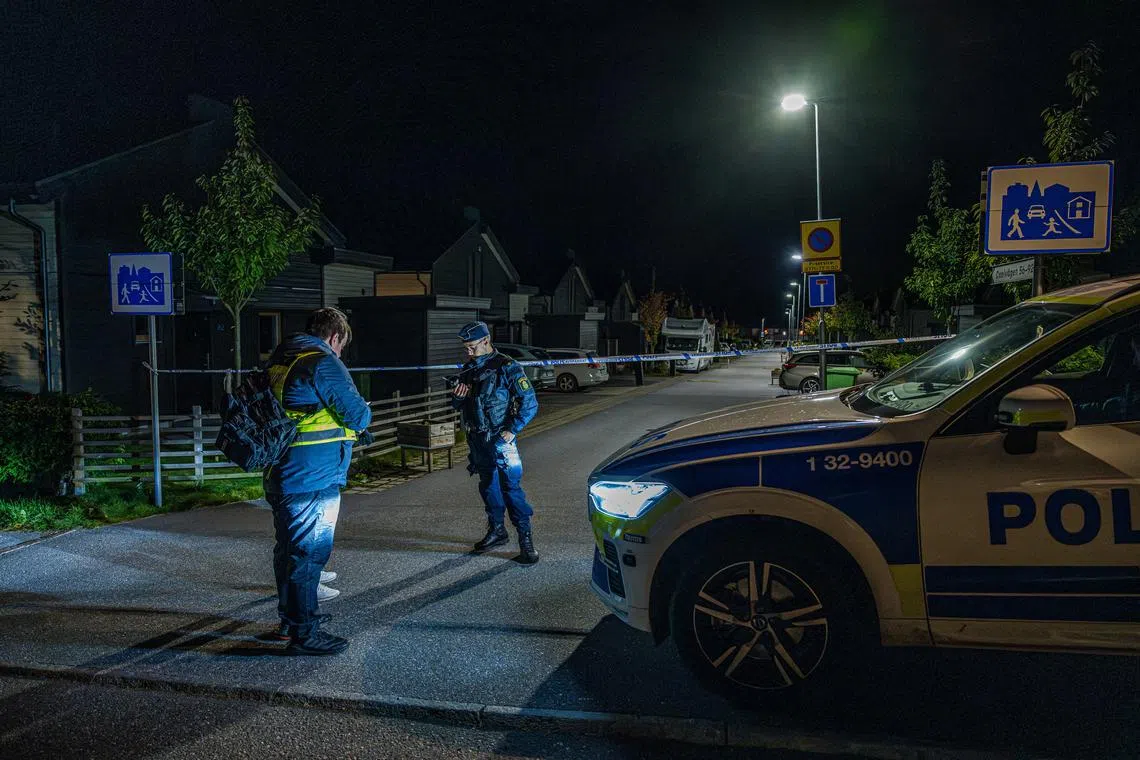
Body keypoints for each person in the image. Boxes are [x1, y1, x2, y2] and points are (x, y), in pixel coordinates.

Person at [263, 307, 372, 655]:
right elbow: (358, 414)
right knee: (309, 553)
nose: (340, 353)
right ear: (335, 337)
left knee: (290, 552)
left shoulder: (282, 359)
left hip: (284, 471)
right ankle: (303, 634)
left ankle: (291, 620)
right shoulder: (322, 362)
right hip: (312, 475)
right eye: (341, 346)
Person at [452, 321, 540, 563]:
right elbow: (462, 404)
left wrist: (512, 430)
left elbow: (530, 403)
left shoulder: (507, 367)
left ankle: (526, 540)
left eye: (472, 347)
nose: (468, 352)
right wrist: (457, 399)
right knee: (488, 486)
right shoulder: (469, 369)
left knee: (511, 488)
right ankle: (497, 531)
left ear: (486, 341)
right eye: (466, 348)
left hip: (501, 439)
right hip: (478, 439)